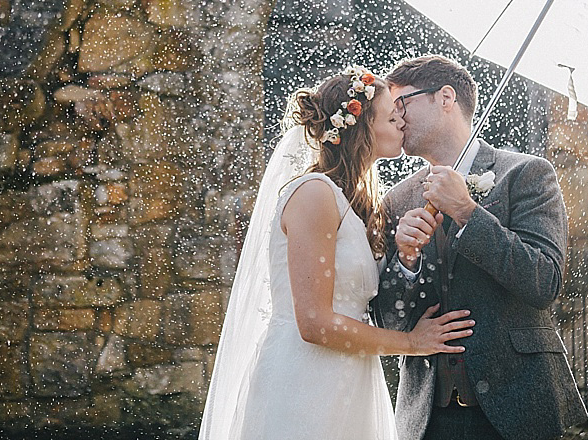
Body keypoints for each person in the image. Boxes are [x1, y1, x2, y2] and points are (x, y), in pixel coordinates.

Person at [198, 66, 475, 440]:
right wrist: (412, 343)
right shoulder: (314, 194)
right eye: (392, 118)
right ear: (362, 127)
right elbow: (313, 322)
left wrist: (408, 253)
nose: (402, 125)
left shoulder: (355, 203)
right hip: (306, 381)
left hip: (352, 379)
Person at [375, 55, 588, 440]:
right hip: (427, 416)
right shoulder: (397, 200)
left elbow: (543, 281)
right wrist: (404, 260)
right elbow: (390, 321)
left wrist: (468, 213)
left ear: (445, 97)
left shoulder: (526, 174)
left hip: (517, 405)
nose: (396, 117)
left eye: (402, 103)